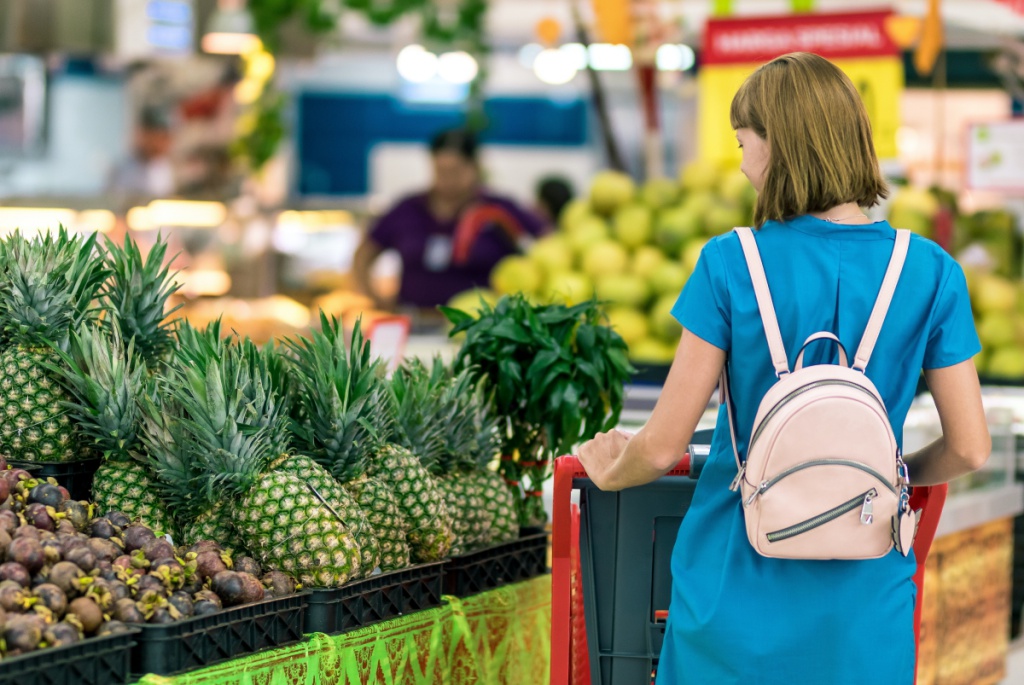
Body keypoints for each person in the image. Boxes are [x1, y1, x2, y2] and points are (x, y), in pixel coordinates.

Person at [577, 52, 990, 685]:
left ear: (782, 148)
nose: (742, 163)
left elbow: (660, 446)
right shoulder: (932, 271)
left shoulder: (729, 262)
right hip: (866, 594)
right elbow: (969, 448)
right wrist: (886, 478)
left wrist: (609, 472)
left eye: (745, 143)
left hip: (732, 588)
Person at [352, 128, 546, 311]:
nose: (447, 180)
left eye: (455, 171)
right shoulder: (408, 209)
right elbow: (363, 255)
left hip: (482, 329)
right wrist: (377, 301)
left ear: (475, 167)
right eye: (440, 171)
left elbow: (546, 244)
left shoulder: (498, 210)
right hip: (415, 322)